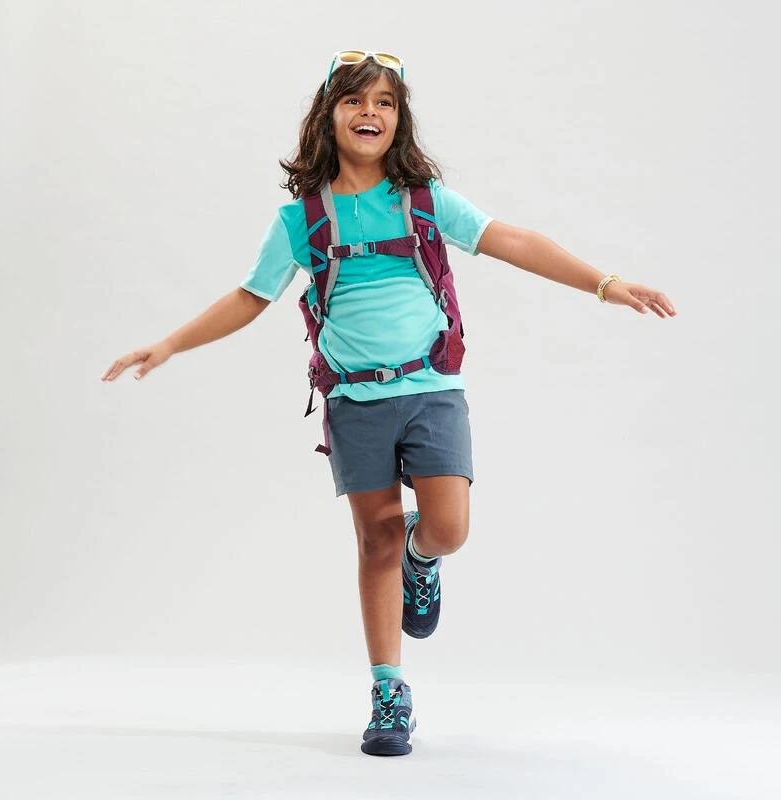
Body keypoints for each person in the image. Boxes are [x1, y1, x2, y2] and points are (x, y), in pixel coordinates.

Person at [101, 50, 676, 757]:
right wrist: (168, 344)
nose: (369, 112)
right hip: (354, 401)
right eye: (354, 100)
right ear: (328, 116)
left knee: (448, 528)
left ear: (399, 120)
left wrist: (606, 284)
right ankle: (388, 692)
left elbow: (513, 240)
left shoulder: (423, 200)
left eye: (384, 102)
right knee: (373, 540)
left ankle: (421, 557)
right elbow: (250, 297)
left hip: (431, 390)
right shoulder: (301, 220)